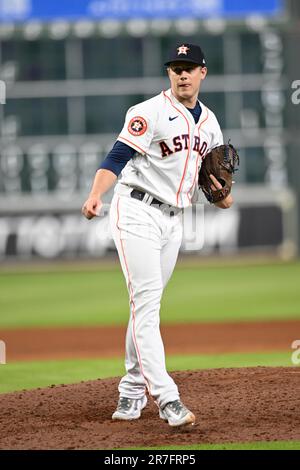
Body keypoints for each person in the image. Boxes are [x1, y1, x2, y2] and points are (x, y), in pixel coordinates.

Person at [82, 43, 233, 427]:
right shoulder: (148, 112)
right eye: (176, 68)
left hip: (174, 220)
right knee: (147, 306)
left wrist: (222, 193)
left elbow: (211, 176)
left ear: (203, 73)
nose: (182, 74)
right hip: (135, 210)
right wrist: (96, 194)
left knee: (146, 308)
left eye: (189, 67)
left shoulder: (210, 122)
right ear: (169, 74)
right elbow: (116, 156)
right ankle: (167, 399)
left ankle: (131, 393)